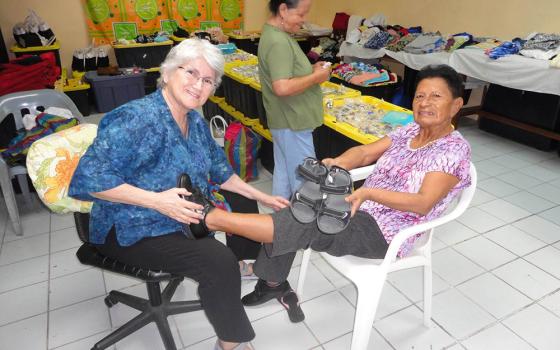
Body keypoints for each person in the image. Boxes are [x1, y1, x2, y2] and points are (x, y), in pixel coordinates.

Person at [184, 64, 472, 322]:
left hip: (389, 232)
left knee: (304, 220)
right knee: (303, 203)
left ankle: (210, 219)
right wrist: (339, 163)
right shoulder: (410, 131)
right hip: (361, 207)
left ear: (456, 105)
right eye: (420, 96)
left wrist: (369, 194)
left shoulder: (453, 150)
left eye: (436, 96)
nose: (424, 103)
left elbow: (422, 204)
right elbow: (364, 152)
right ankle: (272, 283)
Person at [68, 38, 289, 350]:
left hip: (179, 212)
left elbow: (218, 169)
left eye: (208, 80)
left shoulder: (194, 120)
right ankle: (232, 342)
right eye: (191, 73)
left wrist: (262, 196)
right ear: (168, 72)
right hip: (129, 225)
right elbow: (88, 179)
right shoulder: (135, 118)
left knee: (242, 197)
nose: (199, 86)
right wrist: (157, 201)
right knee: (217, 262)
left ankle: (240, 267)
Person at [258, 0, 332, 200]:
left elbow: (287, 75)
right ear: (283, 10)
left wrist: (311, 70)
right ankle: (302, 229)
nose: (304, 20)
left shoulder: (276, 35)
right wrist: (316, 77)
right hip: (293, 122)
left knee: (283, 176)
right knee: (306, 185)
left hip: (286, 122)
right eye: (301, 14)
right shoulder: (278, 41)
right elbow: (282, 86)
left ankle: (279, 224)